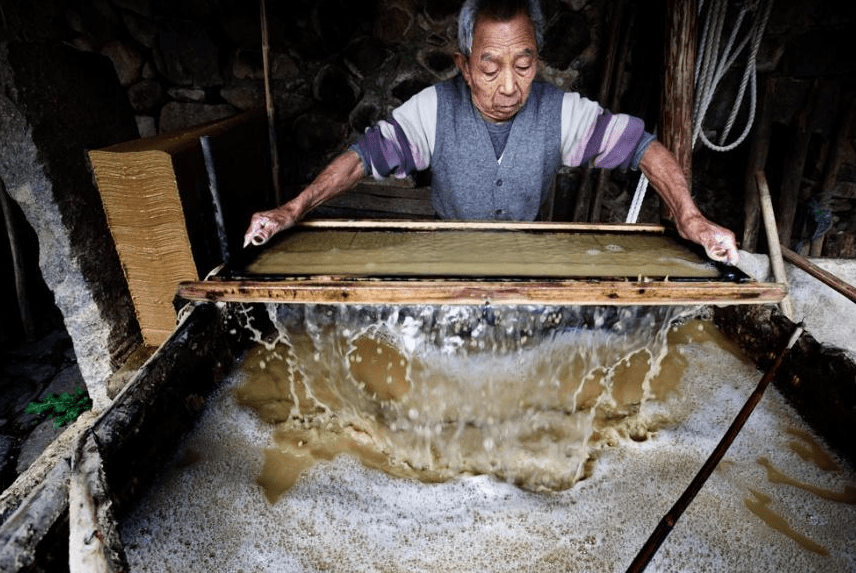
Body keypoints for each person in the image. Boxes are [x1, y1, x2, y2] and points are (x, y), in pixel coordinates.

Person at [244, 0, 739, 266]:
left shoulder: (560, 112)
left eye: (523, 65)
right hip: (446, 261)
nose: (509, 86)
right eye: (490, 67)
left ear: (536, 61)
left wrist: (689, 216)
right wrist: (294, 209)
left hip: (524, 260)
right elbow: (363, 157)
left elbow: (644, 149)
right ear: (463, 65)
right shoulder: (434, 110)